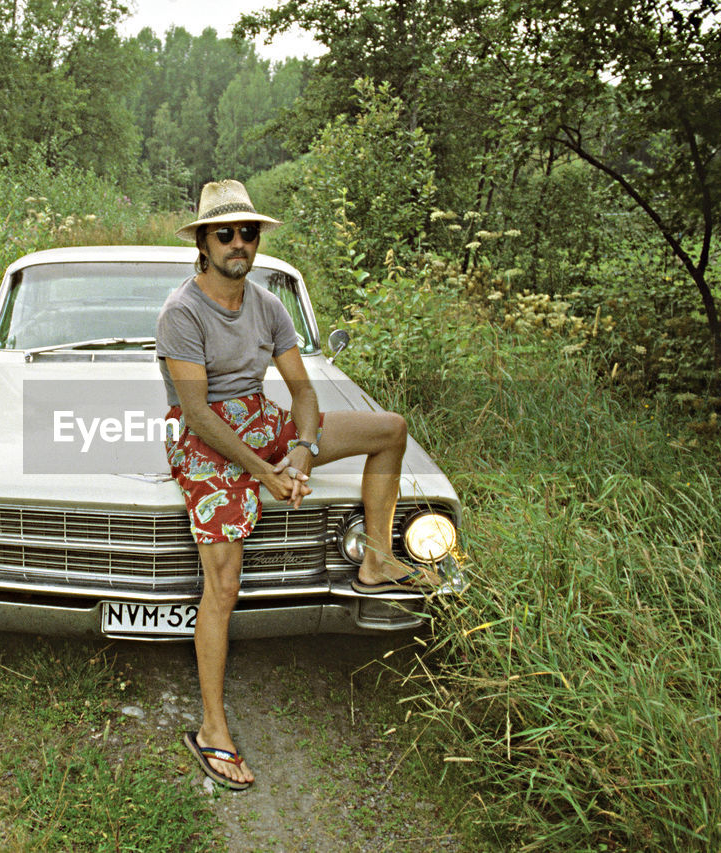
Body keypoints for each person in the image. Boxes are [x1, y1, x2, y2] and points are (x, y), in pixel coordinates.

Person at [156, 179, 443, 791]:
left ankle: (378, 559)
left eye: (248, 232)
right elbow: (200, 414)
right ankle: (211, 728)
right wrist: (266, 472)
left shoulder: (267, 305)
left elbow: (305, 391)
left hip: (261, 420)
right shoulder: (181, 312)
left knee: (390, 429)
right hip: (205, 439)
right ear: (203, 243)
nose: (239, 243)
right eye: (225, 233)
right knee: (224, 585)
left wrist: (303, 455)